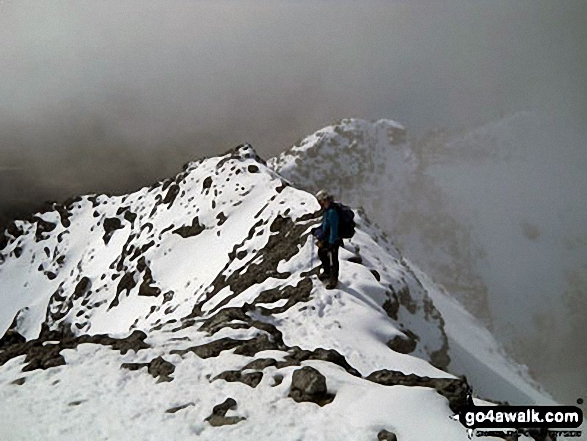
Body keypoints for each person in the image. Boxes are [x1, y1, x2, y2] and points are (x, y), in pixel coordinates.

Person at [312, 190, 341, 289]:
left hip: (334, 239)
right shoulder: (327, 210)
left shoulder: (332, 212)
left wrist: (332, 243)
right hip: (328, 238)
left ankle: (333, 280)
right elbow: (325, 224)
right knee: (322, 253)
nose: (319, 203)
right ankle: (327, 272)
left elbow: (334, 228)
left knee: (333, 259)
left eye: (320, 201)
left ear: (324, 200)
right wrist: (317, 230)